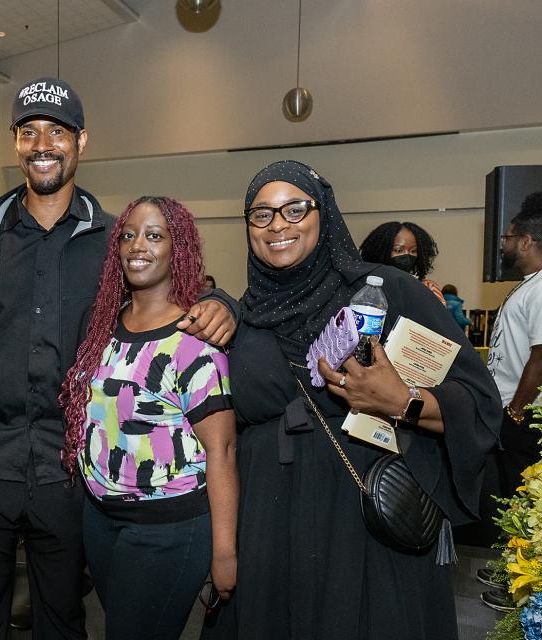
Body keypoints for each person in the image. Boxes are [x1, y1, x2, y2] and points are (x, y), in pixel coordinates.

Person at [0, 76, 237, 639]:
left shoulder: (114, 239)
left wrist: (219, 301)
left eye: (57, 131)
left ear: (81, 141)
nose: (43, 144)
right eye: (29, 131)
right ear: (15, 143)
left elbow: (167, 286)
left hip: (69, 474)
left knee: (61, 621)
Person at [201, 161, 501, 640]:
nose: (278, 225)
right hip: (267, 521)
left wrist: (403, 400)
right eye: (261, 214)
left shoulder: (387, 291)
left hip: (359, 520)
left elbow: (479, 403)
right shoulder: (247, 314)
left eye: (294, 209)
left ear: (325, 214)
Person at [60, 196, 237, 639]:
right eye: (129, 234)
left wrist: (225, 552)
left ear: (179, 249)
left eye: (155, 235)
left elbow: (223, 450)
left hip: (169, 527)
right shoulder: (104, 326)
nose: (138, 245)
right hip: (100, 519)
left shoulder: (194, 339)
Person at [487, 191, 542, 499]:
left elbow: (541, 356)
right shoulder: (529, 286)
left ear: (525, 241)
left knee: (522, 505)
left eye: (507, 237)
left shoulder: (540, 288)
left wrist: (516, 412)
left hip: (525, 417)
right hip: (512, 414)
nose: (502, 245)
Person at [359, 221, 445, 303]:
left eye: (413, 251)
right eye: (399, 250)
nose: (407, 255)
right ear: (381, 252)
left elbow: (439, 316)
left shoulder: (428, 288)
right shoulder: (366, 286)